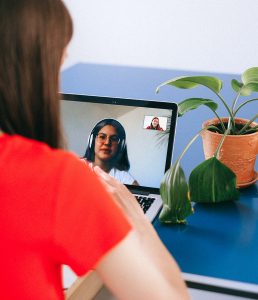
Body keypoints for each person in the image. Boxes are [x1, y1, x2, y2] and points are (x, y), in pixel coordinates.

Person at [0, 0, 190, 299]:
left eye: (113, 138)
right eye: (60, 62)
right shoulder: (58, 178)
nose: (106, 142)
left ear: (120, 145)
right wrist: (137, 220)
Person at [83, 118, 139, 185]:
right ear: (92, 141)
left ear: (120, 146)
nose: (107, 143)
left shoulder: (126, 180)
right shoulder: (77, 167)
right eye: (102, 137)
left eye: (113, 139)